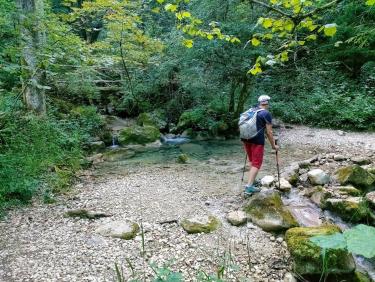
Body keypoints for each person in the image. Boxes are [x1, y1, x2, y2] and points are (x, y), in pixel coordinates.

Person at [241, 95, 278, 196]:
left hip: (245, 138)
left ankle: (251, 181)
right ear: (267, 103)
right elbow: (269, 132)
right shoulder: (266, 113)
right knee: (257, 164)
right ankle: (249, 188)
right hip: (257, 140)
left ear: (260, 102)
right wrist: (273, 145)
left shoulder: (251, 110)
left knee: (252, 161)